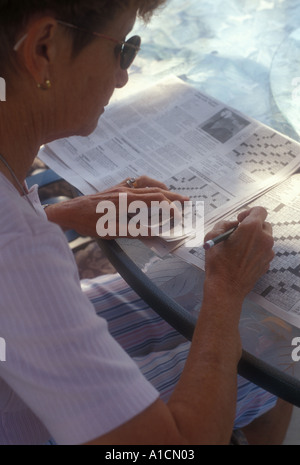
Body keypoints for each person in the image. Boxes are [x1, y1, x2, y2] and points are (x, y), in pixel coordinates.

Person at [0, 0, 292, 445]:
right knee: (273, 344)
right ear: (44, 47)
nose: (124, 76)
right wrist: (226, 288)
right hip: (28, 422)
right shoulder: (19, 252)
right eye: (122, 49)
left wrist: (61, 214)